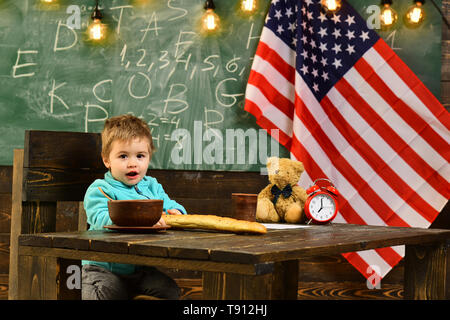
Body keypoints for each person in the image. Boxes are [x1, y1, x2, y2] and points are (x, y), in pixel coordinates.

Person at [82, 114, 186, 300]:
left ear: (148, 157)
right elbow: (99, 219)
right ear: (107, 160)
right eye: (123, 156)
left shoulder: (152, 186)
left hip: (138, 268)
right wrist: (141, 220)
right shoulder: (100, 189)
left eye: (140, 156)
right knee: (104, 293)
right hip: (103, 267)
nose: (132, 163)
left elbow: (170, 204)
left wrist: (177, 212)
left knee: (170, 291)